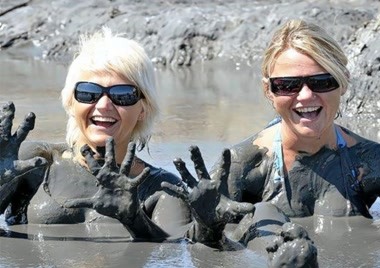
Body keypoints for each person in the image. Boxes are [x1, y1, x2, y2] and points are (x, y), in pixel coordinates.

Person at [169, 19, 380, 268]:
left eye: (322, 82)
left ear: (343, 82)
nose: (306, 96)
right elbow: (202, 249)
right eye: (288, 85)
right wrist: (206, 226)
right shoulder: (244, 162)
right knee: (264, 213)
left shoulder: (368, 160)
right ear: (269, 91)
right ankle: (289, 261)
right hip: (269, 257)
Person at [0, 27, 252, 246]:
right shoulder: (34, 162)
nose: (103, 105)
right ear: (71, 101)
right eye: (88, 93)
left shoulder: (163, 189)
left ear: (143, 108)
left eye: (122, 95)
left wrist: (135, 219)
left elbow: (175, 252)